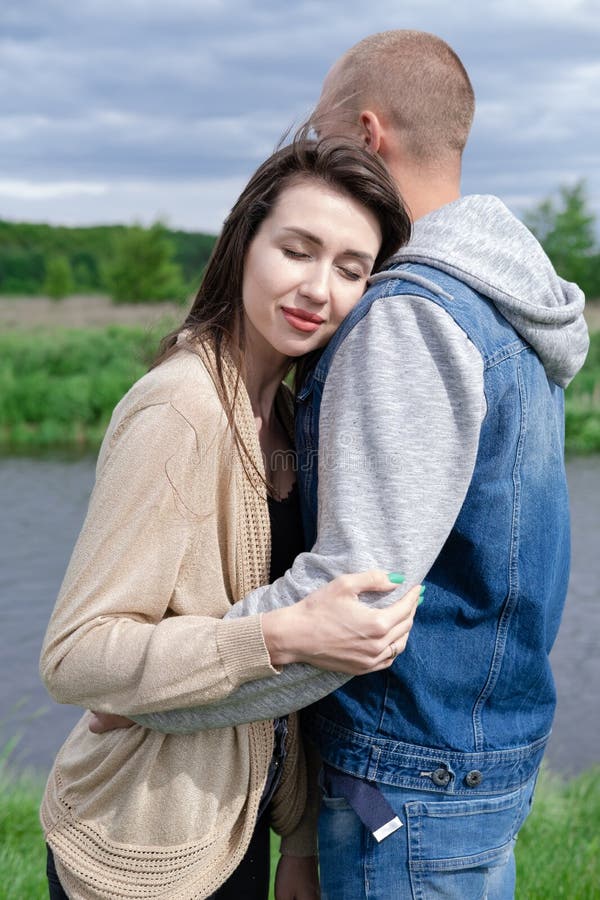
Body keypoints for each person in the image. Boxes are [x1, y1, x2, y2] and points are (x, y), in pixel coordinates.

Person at [105, 30, 590, 900]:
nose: (308, 142)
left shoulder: (409, 318)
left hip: (402, 780)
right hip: (469, 763)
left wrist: (151, 689)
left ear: (366, 134)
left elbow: (353, 597)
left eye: (320, 125)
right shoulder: (505, 302)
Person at [38, 138, 420, 900]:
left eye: (350, 269)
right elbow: (75, 657)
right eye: (297, 250)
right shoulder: (181, 410)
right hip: (139, 843)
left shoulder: (283, 416)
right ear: (246, 242)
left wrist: (302, 843)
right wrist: (282, 635)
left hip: (234, 829)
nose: (319, 288)